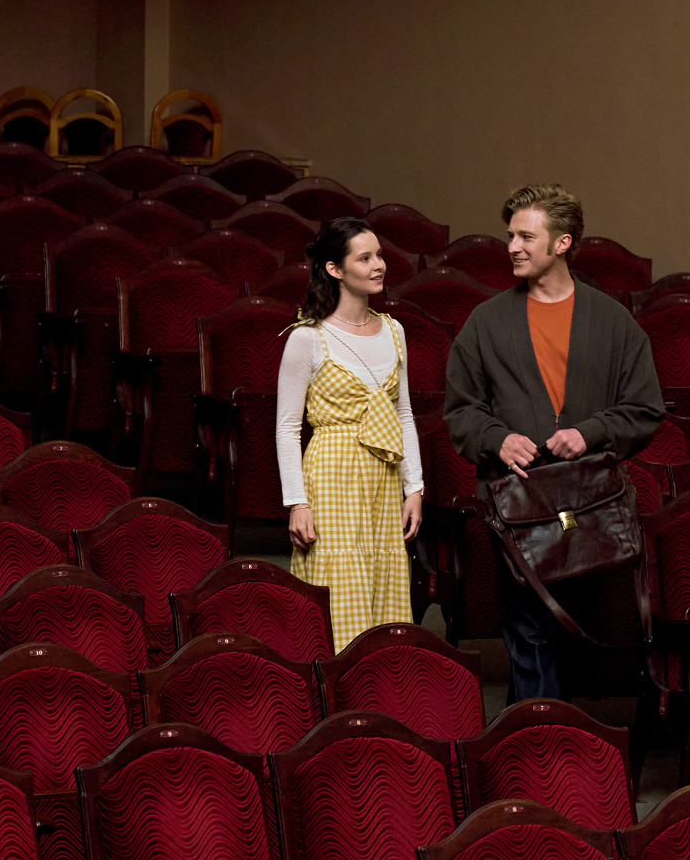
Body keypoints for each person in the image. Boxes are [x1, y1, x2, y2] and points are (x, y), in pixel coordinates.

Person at [444, 184, 663, 700]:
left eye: (526, 236)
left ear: (562, 243)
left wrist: (589, 432)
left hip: (589, 504)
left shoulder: (613, 322)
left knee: (574, 632)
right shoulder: (486, 323)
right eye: (511, 236)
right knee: (529, 631)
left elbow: (645, 408)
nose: (513, 247)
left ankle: (551, 737)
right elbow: (460, 410)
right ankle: (540, 738)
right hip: (518, 503)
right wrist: (497, 439)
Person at [276, 217, 425, 650]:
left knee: (382, 580)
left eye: (379, 255)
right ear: (335, 269)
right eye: (365, 258)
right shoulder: (307, 337)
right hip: (332, 473)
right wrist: (297, 503)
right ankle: (337, 687)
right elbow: (287, 427)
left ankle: (379, 682)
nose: (378, 265)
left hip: (383, 475)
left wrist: (414, 488)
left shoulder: (394, 331)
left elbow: (404, 414)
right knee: (339, 583)